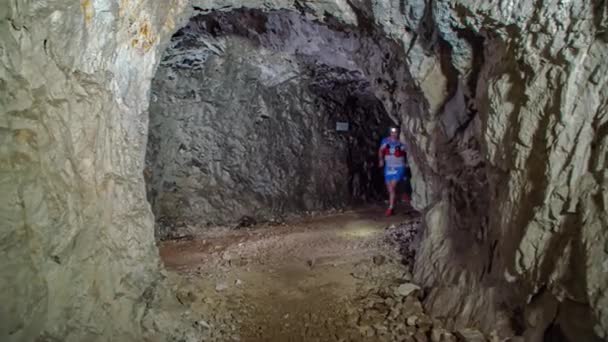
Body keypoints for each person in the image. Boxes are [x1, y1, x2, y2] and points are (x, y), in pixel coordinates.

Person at [378, 127, 408, 216]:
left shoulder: (401, 142)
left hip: (399, 166)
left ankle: (390, 207)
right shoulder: (385, 141)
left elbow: (408, 152)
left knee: (392, 187)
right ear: (390, 133)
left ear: (398, 133)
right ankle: (395, 200)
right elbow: (380, 150)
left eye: (395, 133)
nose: (394, 134)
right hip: (388, 167)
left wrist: (407, 162)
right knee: (389, 188)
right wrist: (381, 160)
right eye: (392, 132)